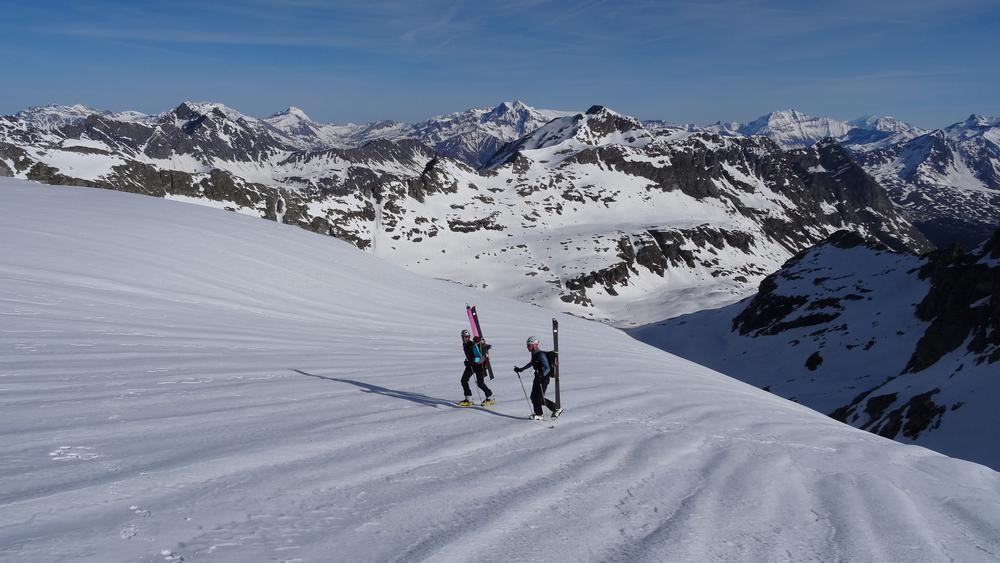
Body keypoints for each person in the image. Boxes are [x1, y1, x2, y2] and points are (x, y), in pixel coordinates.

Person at [515, 336, 562, 420]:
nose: (527, 347)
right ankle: (540, 414)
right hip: (538, 377)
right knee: (533, 397)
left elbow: (547, 368)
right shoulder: (534, 353)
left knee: (539, 398)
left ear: (535, 345)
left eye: (529, 345)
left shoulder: (541, 354)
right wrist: (521, 369)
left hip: (543, 378)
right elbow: (532, 363)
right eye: (527, 345)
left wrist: (542, 375)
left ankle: (555, 409)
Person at [458, 329, 494, 407]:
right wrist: (467, 362)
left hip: (478, 366)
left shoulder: (472, 345)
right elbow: (470, 356)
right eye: (464, 337)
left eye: (467, 337)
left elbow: (479, 358)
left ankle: (490, 398)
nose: (465, 338)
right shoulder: (464, 344)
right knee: (464, 380)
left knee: (480, 383)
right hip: (471, 366)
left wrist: (470, 361)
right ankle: (468, 399)